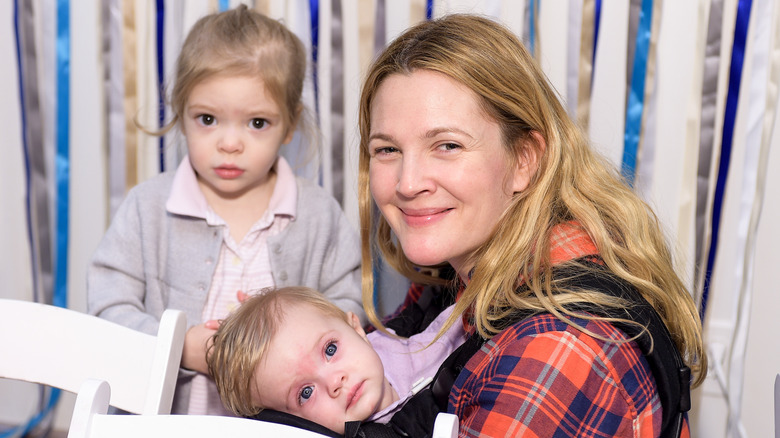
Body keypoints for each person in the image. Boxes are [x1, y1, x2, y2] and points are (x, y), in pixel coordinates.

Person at [357, 14, 707, 438]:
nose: (408, 183)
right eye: (388, 149)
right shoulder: (460, 266)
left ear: (524, 159)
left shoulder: (561, 346)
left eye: (447, 146)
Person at [87, 5, 363, 415]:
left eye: (256, 123)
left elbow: (348, 310)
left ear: (290, 124)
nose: (229, 143)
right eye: (208, 119)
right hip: (167, 422)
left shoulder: (318, 215)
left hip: (281, 424)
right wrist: (179, 346)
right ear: (181, 114)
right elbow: (107, 310)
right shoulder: (147, 208)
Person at [207, 286, 466, 435]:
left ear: (356, 329)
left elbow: (463, 319)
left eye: (330, 350)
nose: (333, 382)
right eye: (306, 392)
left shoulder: (406, 343)